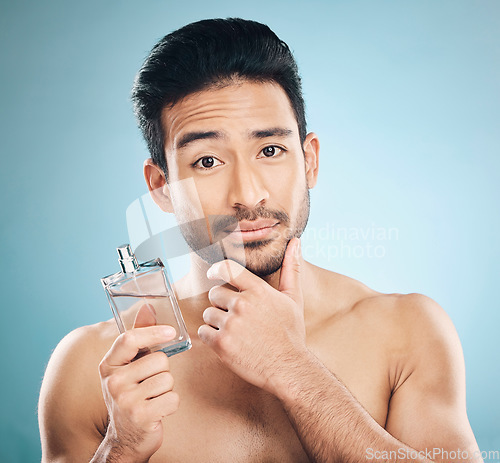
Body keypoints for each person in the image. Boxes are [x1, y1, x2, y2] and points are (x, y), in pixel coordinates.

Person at [38, 18, 481, 463]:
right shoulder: (94, 367)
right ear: (161, 186)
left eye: (270, 151)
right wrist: (121, 450)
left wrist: (295, 370)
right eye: (207, 161)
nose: (248, 195)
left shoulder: (407, 332)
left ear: (309, 162)